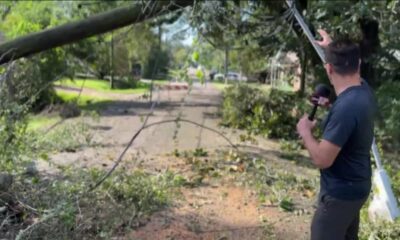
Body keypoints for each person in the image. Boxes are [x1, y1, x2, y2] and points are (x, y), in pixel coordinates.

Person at [296, 30, 377, 240]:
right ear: (357, 65)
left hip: (340, 194)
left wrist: (305, 132)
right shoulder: (363, 90)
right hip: (357, 186)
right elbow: (351, 119)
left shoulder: (346, 108)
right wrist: (331, 47)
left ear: (329, 68)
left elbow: (322, 159)